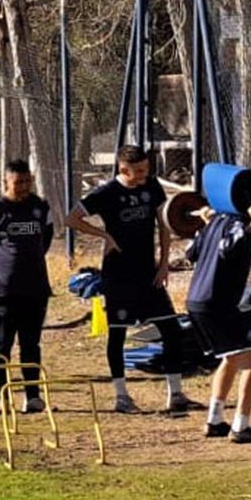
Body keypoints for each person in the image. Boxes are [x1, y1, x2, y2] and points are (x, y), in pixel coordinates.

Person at [64, 145, 198, 414]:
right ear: (123, 169)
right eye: (137, 171)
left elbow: (164, 224)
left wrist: (163, 265)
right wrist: (104, 236)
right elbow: (72, 219)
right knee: (118, 334)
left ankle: (176, 394)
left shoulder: (152, 188)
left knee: (171, 330)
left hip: (148, 273)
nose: (143, 175)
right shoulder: (107, 193)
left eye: (145, 170)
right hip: (118, 276)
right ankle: (122, 396)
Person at [188, 191, 251, 443]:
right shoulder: (237, 224)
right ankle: (241, 426)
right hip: (216, 304)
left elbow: (190, 253)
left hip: (196, 302)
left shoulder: (215, 221)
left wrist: (205, 226)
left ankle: (215, 421)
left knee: (231, 358)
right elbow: (228, 248)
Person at [0, 160, 53, 415]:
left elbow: (46, 240)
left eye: (27, 181)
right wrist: (1, 272)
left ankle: (32, 396)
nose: (23, 187)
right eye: (18, 182)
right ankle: (1, 397)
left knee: (31, 344)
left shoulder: (41, 207)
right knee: (2, 344)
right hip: (3, 291)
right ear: (6, 182)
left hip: (36, 289)